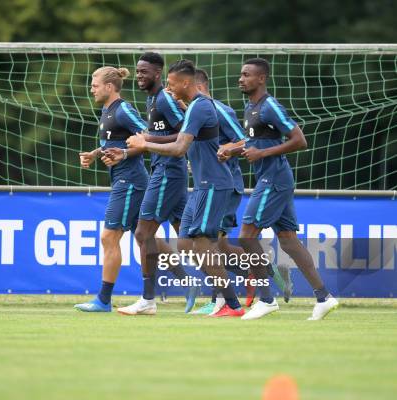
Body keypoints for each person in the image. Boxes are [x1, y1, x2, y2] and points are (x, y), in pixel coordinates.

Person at [217, 58, 338, 320]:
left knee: (247, 234)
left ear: (261, 79)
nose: (241, 79)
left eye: (247, 75)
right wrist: (233, 150)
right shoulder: (251, 107)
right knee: (289, 241)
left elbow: (299, 140)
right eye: (240, 74)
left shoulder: (270, 105)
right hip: (273, 178)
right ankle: (324, 297)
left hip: (274, 178)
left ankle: (267, 299)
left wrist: (263, 153)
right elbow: (253, 142)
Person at [127, 59, 244, 318]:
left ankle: (234, 304)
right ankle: (245, 282)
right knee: (186, 244)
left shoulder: (201, 106)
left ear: (185, 83)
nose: (168, 89)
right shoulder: (193, 107)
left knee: (203, 245)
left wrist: (144, 144)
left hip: (215, 185)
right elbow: (191, 144)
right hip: (201, 186)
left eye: (170, 84)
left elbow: (179, 148)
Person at [189, 68, 292, 315]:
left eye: (176, 86)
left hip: (225, 184)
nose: (172, 92)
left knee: (206, 244)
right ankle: (262, 269)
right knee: (215, 246)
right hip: (208, 184)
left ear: (196, 85)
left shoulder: (218, 109)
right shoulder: (193, 110)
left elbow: (245, 141)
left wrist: (227, 150)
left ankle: (225, 300)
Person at [115, 52, 197, 316]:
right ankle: (249, 272)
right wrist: (130, 150)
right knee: (191, 240)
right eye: (137, 71)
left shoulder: (163, 98)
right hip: (165, 171)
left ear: (158, 74)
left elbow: (187, 133)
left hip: (168, 173)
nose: (139, 76)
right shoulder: (152, 99)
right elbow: (157, 138)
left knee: (143, 234)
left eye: (144, 72)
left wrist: (148, 139)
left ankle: (148, 300)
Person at [74, 66, 149, 312]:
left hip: (130, 180)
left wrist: (124, 155)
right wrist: (95, 154)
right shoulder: (106, 110)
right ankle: (183, 281)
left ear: (109, 87)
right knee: (144, 238)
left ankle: (103, 300)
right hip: (123, 179)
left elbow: (146, 138)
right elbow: (114, 143)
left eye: (95, 85)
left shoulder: (124, 108)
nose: (91, 89)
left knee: (109, 236)